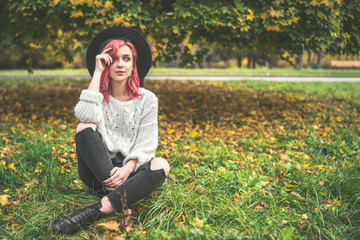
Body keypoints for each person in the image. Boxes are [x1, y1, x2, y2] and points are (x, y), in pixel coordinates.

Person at [49, 27, 170, 235]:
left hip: (129, 171)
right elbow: (84, 117)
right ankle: (124, 197)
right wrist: (97, 72)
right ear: (106, 63)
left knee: (162, 164)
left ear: (134, 65)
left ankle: (97, 209)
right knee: (84, 126)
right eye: (113, 59)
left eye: (126, 59)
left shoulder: (148, 100)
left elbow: (146, 145)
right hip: (99, 173)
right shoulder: (98, 95)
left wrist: (126, 170)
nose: (120, 64)